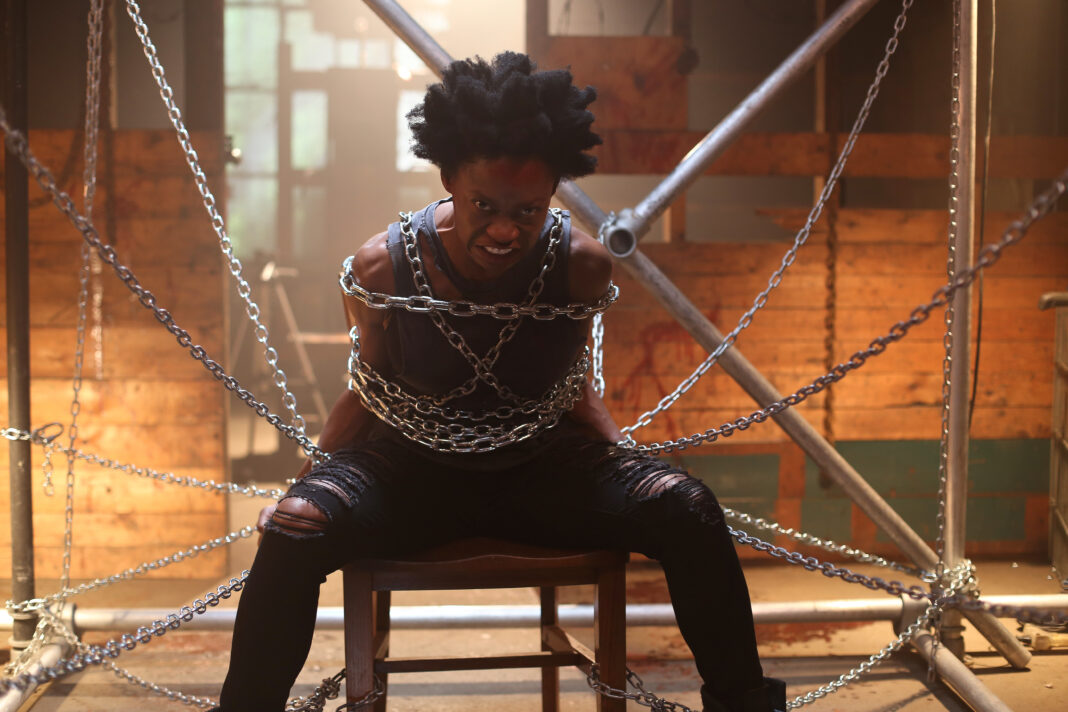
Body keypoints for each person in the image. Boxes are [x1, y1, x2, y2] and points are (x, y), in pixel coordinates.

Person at [211, 52, 785, 712]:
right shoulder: (383, 267)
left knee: (686, 506)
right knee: (295, 528)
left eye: (529, 209)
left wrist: (630, 464)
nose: (506, 229)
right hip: (411, 473)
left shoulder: (581, 267)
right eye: (484, 205)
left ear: (553, 194)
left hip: (541, 469)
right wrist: (304, 485)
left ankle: (744, 705)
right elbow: (368, 389)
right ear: (449, 179)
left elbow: (576, 390)